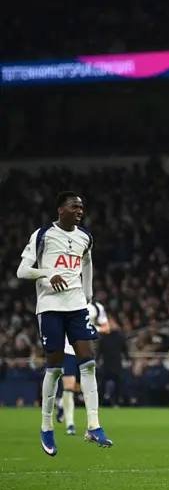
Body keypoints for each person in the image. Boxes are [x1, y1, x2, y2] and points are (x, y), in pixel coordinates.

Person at [16, 191, 113, 456]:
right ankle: (46, 426)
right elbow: (22, 271)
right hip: (50, 308)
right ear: (60, 209)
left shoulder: (85, 237)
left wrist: (88, 295)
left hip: (76, 306)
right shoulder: (43, 235)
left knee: (88, 362)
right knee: (55, 368)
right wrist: (49, 273)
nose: (79, 211)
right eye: (74, 207)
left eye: (81, 207)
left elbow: (87, 262)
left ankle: (94, 425)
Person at [57, 301, 109, 435]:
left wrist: (90, 327)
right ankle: (70, 425)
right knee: (69, 386)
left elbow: (106, 328)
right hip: (68, 350)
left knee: (82, 387)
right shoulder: (68, 302)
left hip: (86, 351)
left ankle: (62, 404)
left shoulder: (97, 307)